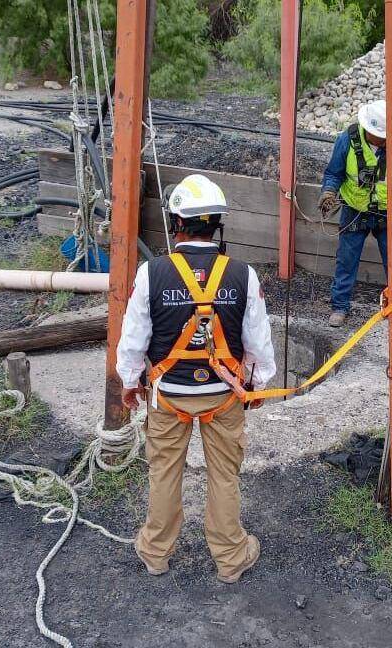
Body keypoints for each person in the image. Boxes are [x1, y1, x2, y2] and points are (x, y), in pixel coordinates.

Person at [116, 174, 277, 583]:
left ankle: (155, 552)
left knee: (164, 473)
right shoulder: (243, 274)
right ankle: (230, 559)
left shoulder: (152, 273)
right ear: (216, 226)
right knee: (224, 476)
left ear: (176, 224)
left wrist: (130, 381)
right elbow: (257, 343)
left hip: (168, 395)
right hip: (223, 396)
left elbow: (134, 338)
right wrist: (256, 385)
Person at [318, 99, 392, 327]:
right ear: (369, 130)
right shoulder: (346, 140)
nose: (385, 139)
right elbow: (333, 173)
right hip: (354, 210)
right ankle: (340, 307)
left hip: (389, 214)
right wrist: (328, 192)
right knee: (346, 261)